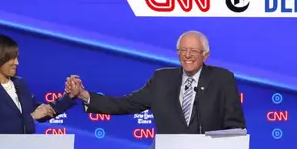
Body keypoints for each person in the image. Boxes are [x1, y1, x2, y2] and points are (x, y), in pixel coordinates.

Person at [64, 30, 246, 134]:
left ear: (206, 55)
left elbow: (236, 126)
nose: (187, 55)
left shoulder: (222, 79)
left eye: (193, 51)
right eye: (183, 50)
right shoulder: (162, 79)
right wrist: (84, 95)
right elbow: (125, 104)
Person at [0, 34, 76, 135]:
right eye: (12, 58)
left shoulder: (20, 84)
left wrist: (69, 96)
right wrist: (32, 117)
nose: (17, 63)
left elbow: (42, 111)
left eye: (17, 58)